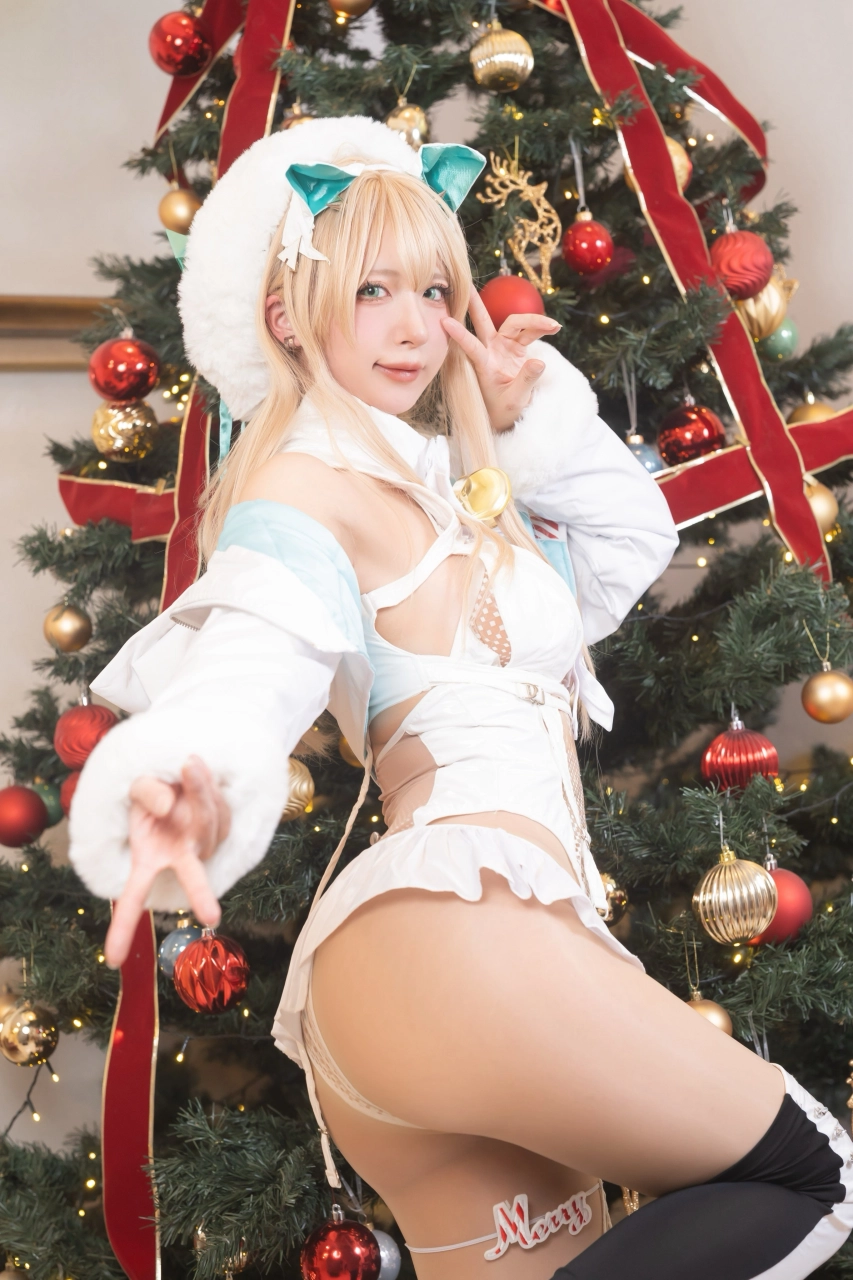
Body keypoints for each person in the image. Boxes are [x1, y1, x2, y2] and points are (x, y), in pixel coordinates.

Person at [69, 117, 853, 1280]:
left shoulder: (452, 488)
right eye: (370, 289)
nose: (412, 324)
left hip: (413, 997)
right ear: (287, 314)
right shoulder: (301, 487)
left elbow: (629, 540)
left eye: (434, 289)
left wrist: (525, 413)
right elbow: (259, 647)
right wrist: (199, 760)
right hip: (464, 936)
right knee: (814, 1170)